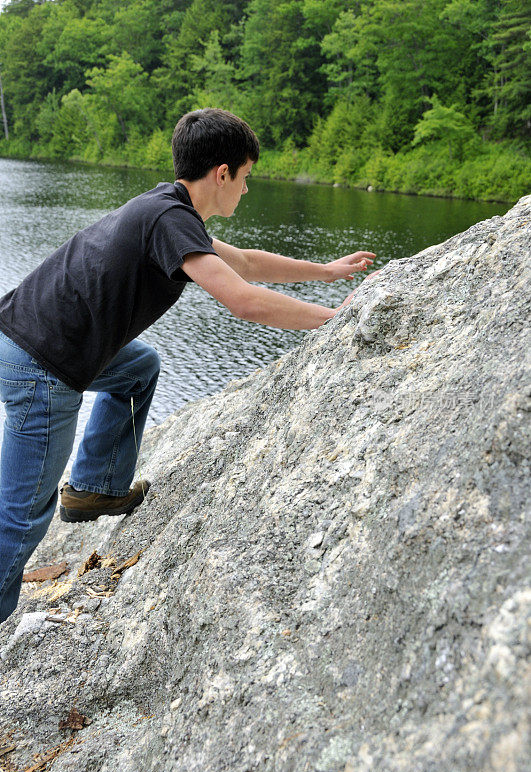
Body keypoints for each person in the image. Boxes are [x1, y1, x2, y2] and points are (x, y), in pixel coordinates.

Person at [0, 108, 377, 624]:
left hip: (31, 337)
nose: (246, 191)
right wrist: (336, 320)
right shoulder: (170, 219)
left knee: (138, 367)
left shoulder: (169, 210)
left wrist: (326, 271)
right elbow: (243, 299)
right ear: (221, 172)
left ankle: (95, 487)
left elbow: (242, 263)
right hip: (41, 363)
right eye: (245, 178)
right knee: (20, 521)